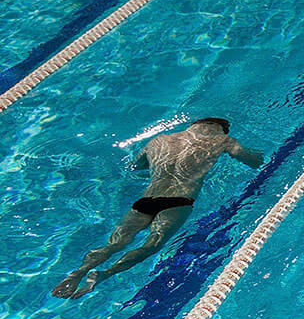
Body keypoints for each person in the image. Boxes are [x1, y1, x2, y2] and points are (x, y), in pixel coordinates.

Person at [53, 117, 263, 299]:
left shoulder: (158, 141)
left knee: (115, 244)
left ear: (192, 126)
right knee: (151, 245)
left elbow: (136, 168)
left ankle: (78, 273)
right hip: (179, 201)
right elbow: (253, 161)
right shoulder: (222, 140)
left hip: (146, 200)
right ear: (221, 129)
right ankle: (106, 273)